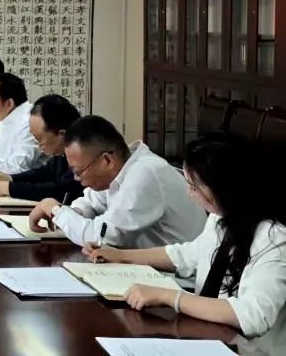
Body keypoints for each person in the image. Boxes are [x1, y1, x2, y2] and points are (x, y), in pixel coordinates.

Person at [86, 133, 285, 342]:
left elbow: (253, 316)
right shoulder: (220, 218)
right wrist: (122, 256)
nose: (190, 194)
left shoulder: (274, 238)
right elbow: (187, 255)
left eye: (194, 187)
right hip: (205, 334)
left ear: (224, 187)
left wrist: (169, 297)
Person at [28, 115, 206, 249]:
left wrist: (55, 210)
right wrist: (73, 213)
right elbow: (91, 203)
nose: (77, 178)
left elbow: (103, 237)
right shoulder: (121, 168)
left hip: (178, 278)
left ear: (107, 160)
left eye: (79, 172)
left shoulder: (145, 174)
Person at [0, 94, 84, 203]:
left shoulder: (84, 153)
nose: (38, 145)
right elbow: (45, 172)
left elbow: (62, 191)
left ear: (62, 134)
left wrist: (7, 188)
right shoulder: (62, 152)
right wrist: (10, 178)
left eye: (40, 139)